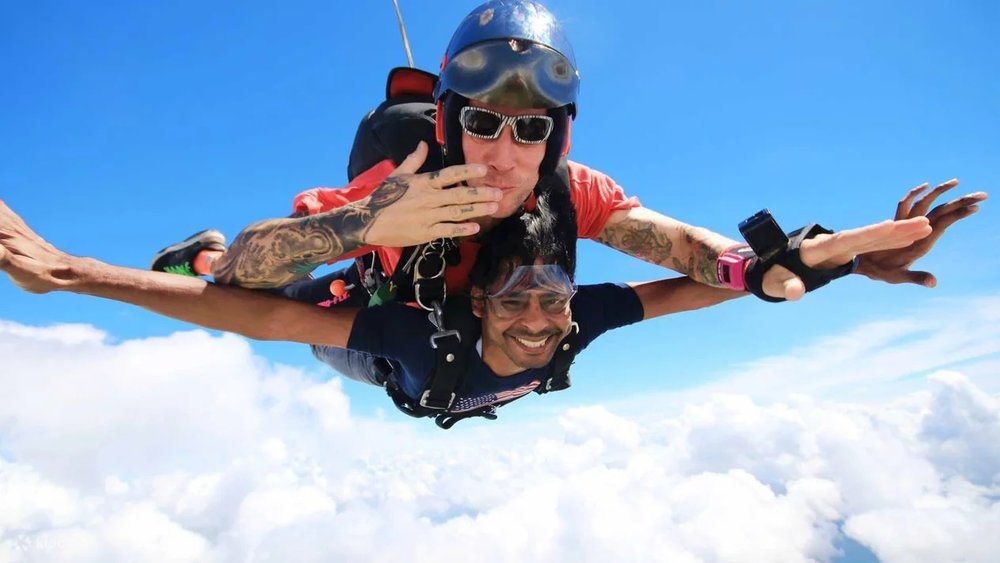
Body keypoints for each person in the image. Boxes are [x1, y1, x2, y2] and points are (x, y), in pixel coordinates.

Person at [150, 0, 986, 382]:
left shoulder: (575, 190)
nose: (505, 154)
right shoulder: (401, 183)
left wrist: (787, 265)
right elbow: (249, 280)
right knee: (284, 303)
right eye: (483, 124)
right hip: (375, 323)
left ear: (561, 136)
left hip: (493, 333)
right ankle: (196, 245)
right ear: (447, 124)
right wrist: (367, 220)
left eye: (532, 128)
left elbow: (686, 248)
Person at [0, 197, 934, 428]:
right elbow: (263, 327)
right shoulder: (419, 329)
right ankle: (200, 245)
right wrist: (76, 274)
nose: (538, 318)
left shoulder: (579, 318)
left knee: (298, 300)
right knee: (273, 294)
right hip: (379, 360)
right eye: (520, 299)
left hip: (425, 367)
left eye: (552, 297)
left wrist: (843, 263)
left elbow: (700, 286)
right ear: (478, 299)